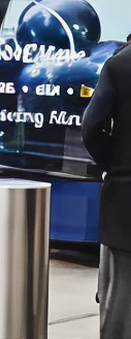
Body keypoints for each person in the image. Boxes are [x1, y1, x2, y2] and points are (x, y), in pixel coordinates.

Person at [82, 44, 131, 337]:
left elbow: (92, 127)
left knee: (122, 299)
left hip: (125, 199)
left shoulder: (120, 64)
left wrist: (116, 164)